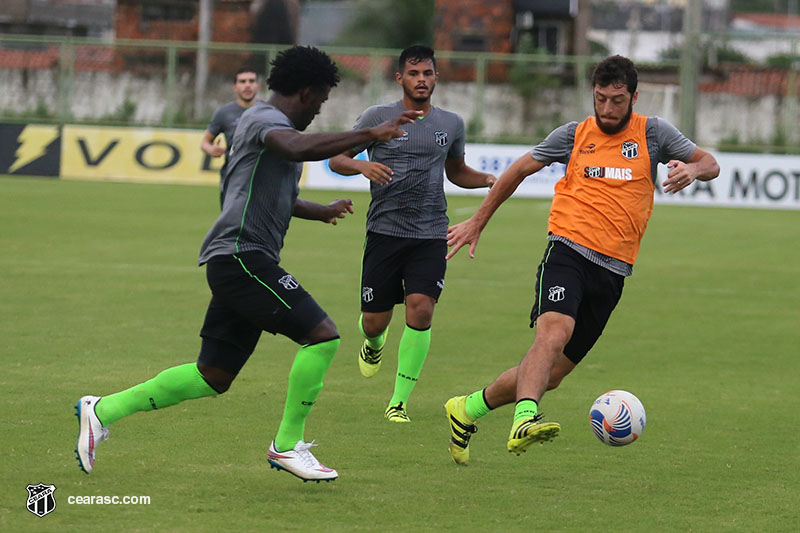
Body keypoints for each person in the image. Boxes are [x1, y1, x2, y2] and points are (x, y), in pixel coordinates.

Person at [74, 46, 419, 482]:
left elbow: (277, 195)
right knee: (323, 336)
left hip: (238, 259)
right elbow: (295, 148)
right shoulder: (263, 120)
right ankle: (287, 446)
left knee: (212, 375)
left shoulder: (271, 128)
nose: (319, 110)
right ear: (308, 91)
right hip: (241, 256)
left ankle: (102, 410)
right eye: (322, 101)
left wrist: (321, 210)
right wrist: (370, 135)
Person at [443, 55, 720, 465]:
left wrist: (692, 171)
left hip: (614, 271)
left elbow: (710, 163)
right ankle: (524, 419)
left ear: (634, 97)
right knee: (553, 333)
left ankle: (466, 409)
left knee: (551, 375)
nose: (607, 109)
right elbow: (518, 169)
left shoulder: (654, 133)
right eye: (600, 99)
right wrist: (478, 221)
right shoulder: (574, 135)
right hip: (567, 249)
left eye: (617, 101)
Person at [328, 45, 496, 423]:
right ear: (400, 78)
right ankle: (373, 344)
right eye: (414, 73)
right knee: (374, 321)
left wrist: (486, 180)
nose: (422, 80)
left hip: (431, 232)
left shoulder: (450, 124)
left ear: (436, 77)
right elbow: (336, 159)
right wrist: (362, 167)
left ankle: (399, 401)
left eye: (428, 73)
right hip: (384, 232)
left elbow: (456, 172)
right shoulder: (378, 117)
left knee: (421, 310)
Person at [201, 67, 260, 207]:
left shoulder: (268, 111)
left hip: (261, 178)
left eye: (251, 81)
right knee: (231, 225)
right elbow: (205, 142)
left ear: (257, 86)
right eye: (242, 81)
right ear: (235, 87)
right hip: (232, 177)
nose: (247, 85)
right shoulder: (224, 113)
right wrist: (211, 150)